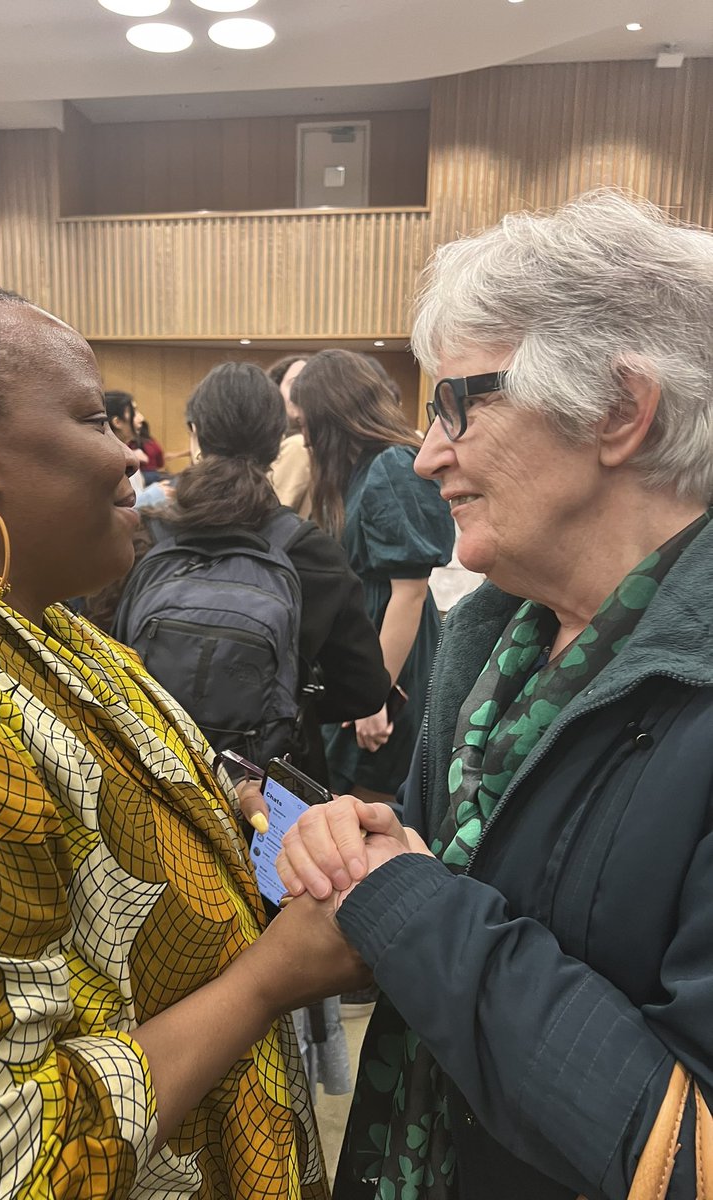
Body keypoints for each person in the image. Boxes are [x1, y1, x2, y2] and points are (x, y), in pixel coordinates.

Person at [0, 247, 369, 1199]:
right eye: (90, 418)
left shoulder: (40, 618)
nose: (129, 452)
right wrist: (271, 980)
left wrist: (252, 813)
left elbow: (108, 806)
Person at [275, 191, 713, 1199]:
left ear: (616, 409)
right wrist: (362, 852)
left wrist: (404, 900)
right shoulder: (491, 647)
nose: (427, 453)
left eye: (459, 403)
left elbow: (686, 1153)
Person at [117, 360, 390, 795]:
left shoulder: (139, 535)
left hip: (151, 778)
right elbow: (366, 690)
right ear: (279, 442)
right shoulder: (313, 551)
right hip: (270, 785)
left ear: (195, 435)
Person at [291, 349, 454, 804]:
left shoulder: (392, 465)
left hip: (391, 661)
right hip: (371, 655)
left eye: (305, 422)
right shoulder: (363, 469)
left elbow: (411, 591)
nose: (303, 437)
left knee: (372, 805)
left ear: (331, 414)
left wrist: (374, 694)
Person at [268, 354, 313, 517]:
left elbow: (272, 513)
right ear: (275, 390)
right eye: (295, 384)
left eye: (308, 386)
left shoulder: (297, 445)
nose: (300, 393)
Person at [133, 409, 166, 483]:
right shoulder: (151, 442)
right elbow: (160, 459)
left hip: (136, 476)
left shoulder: (129, 443)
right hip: (153, 474)